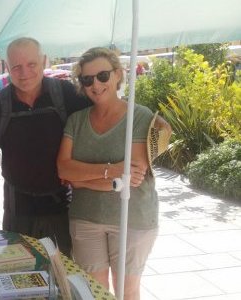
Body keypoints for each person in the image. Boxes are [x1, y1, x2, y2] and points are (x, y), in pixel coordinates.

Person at [57, 47, 171, 299]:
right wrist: (111, 171)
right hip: (86, 218)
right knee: (94, 293)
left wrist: (82, 179)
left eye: (102, 76)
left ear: (118, 75)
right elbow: (64, 169)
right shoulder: (76, 120)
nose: (95, 85)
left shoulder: (139, 116)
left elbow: (131, 177)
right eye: (87, 80)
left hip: (132, 218)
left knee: (126, 292)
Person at [0, 37, 91, 256]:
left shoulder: (65, 94)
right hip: (18, 207)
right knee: (21, 270)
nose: (24, 73)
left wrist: (142, 117)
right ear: (8, 68)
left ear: (44, 61)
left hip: (62, 206)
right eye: (17, 67)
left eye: (31, 64)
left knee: (63, 273)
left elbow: (102, 114)